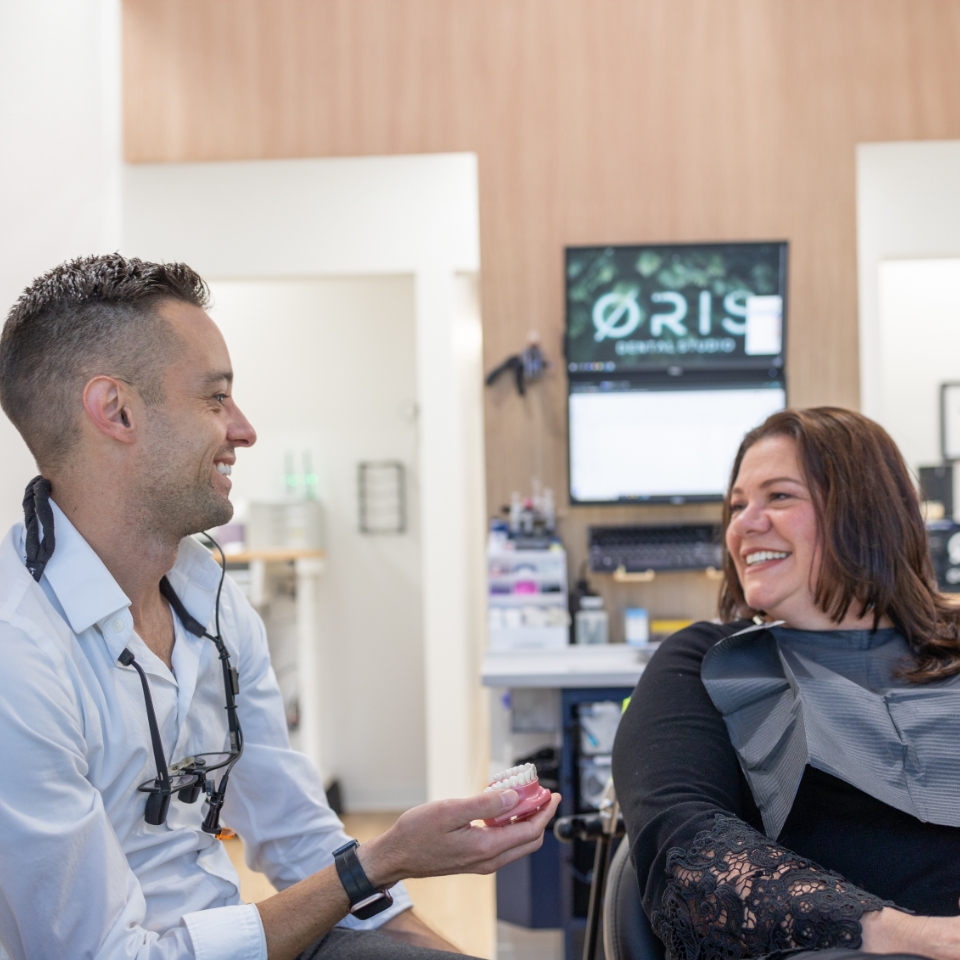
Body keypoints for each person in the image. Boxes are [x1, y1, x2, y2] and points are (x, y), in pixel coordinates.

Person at [0, 254, 561, 960]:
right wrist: (379, 860)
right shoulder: (18, 657)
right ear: (116, 410)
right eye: (214, 399)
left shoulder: (210, 601)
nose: (243, 429)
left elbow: (298, 837)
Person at [612, 407, 960, 960]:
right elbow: (683, 849)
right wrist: (908, 934)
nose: (744, 524)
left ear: (865, 511)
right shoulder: (703, 660)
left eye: (778, 497)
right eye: (737, 505)